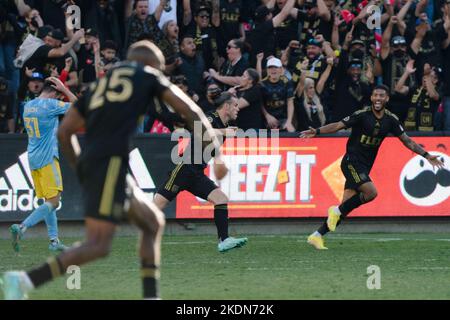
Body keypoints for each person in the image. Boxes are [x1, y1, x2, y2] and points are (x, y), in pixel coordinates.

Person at [1, 40, 227, 300]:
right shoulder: (148, 76)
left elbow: (65, 132)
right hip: (109, 164)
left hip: (102, 164)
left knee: (151, 222)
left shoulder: (100, 85)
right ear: (150, 65)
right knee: (99, 244)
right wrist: (219, 157)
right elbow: (192, 112)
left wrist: (82, 167)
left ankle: (151, 296)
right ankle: (25, 280)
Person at [301, 85, 445, 250]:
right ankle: (335, 212)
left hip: (365, 166)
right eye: (375, 95)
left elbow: (407, 141)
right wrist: (317, 131)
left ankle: (317, 235)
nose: (378, 98)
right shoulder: (362, 115)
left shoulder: (391, 120)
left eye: (381, 96)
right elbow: (338, 125)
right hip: (351, 162)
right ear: (371, 98)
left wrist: (426, 155)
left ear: (387, 99)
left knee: (345, 206)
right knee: (371, 192)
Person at [154, 92, 248, 253]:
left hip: (197, 172)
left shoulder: (223, 126)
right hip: (184, 169)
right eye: (235, 105)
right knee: (157, 206)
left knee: (221, 199)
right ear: (226, 106)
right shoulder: (210, 118)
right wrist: (225, 133)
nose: (238, 109)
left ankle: (224, 240)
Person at [9, 77, 77, 252]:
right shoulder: (51, 105)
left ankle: (54, 241)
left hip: (33, 158)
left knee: (48, 200)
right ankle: (22, 227)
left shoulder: (28, 106)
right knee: (54, 201)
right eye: (58, 94)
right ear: (54, 93)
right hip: (47, 158)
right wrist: (65, 88)